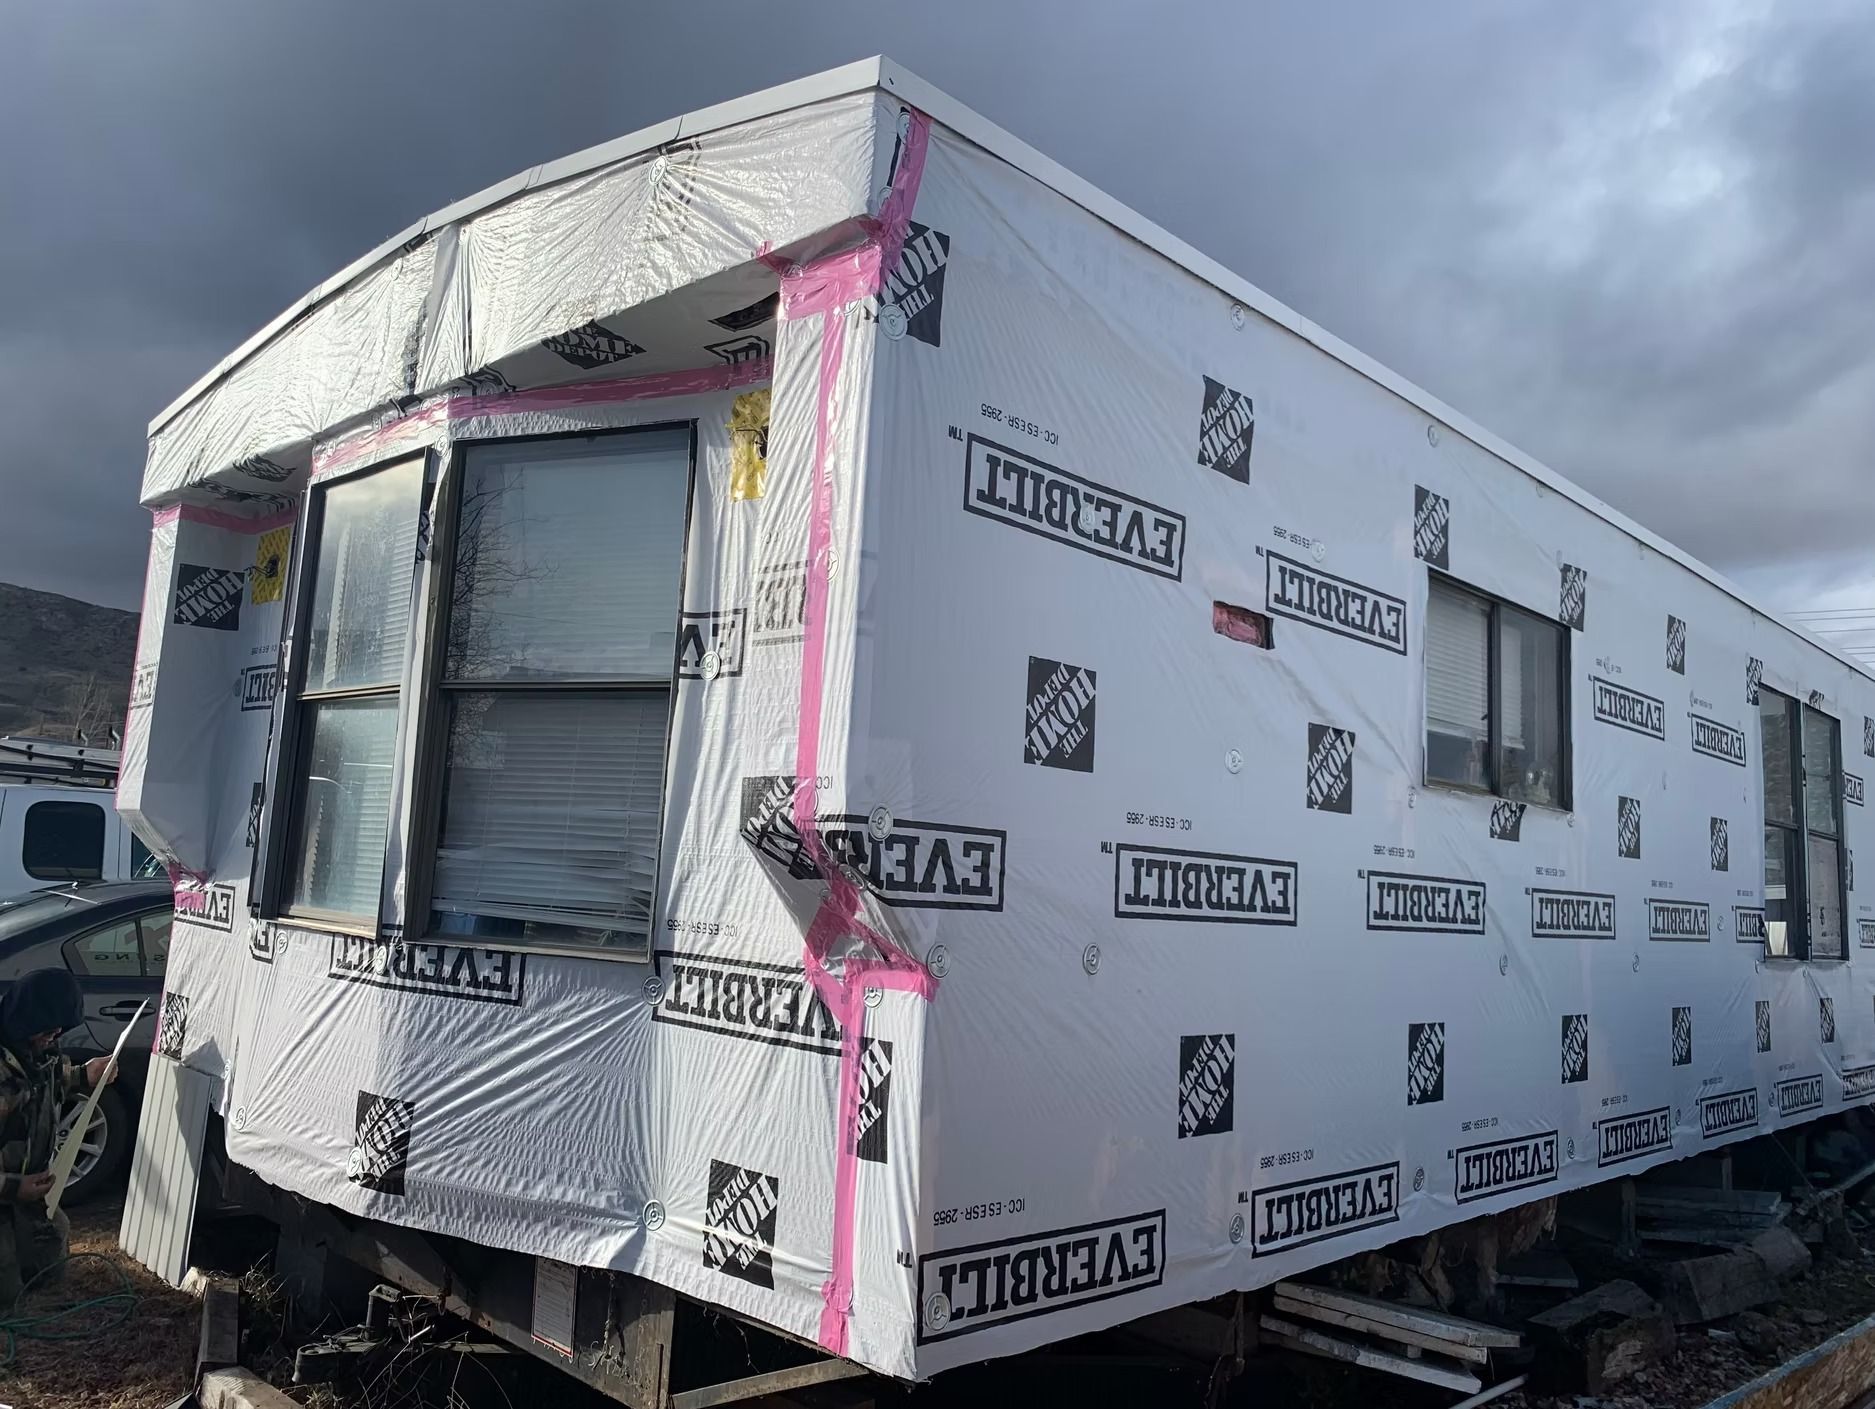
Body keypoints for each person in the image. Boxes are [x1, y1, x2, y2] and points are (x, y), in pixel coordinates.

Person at [0, 970, 115, 1306]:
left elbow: (44, 1082)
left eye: (59, 1032)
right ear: (27, 1018)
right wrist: (11, 1186)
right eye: (49, 1030)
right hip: (8, 1189)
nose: (54, 1037)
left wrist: (84, 1074)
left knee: (50, 1259)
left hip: (23, 1196)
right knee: (7, 1294)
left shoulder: (35, 1050)